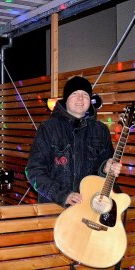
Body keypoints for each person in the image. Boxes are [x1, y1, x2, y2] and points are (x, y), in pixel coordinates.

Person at [26, 76, 122, 207]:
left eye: (85, 94)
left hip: (88, 209)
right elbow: (34, 171)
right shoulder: (48, 128)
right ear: (66, 100)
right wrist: (62, 195)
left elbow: (104, 172)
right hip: (53, 209)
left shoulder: (101, 130)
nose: (80, 98)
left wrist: (106, 170)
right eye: (75, 93)